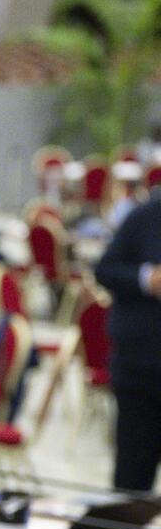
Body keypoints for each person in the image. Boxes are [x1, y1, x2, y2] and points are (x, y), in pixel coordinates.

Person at [94, 195, 161, 490]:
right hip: (140, 369)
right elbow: (104, 270)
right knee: (132, 475)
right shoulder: (145, 216)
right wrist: (148, 279)